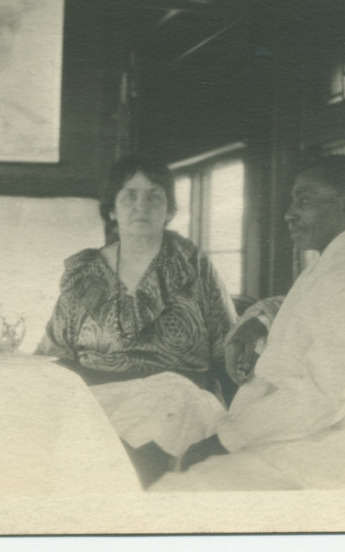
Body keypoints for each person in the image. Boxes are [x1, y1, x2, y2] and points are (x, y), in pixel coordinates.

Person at [150, 154, 345, 491]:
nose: (289, 213)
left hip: (325, 460)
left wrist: (223, 441)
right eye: (293, 199)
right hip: (307, 438)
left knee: (172, 490)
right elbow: (309, 308)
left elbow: (324, 394)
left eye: (305, 200)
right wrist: (259, 319)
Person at [35, 154, 236, 485]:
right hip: (104, 405)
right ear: (112, 209)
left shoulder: (194, 266)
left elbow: (229, 349)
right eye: (129, 195)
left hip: (181, 409)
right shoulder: (85, 273)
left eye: (154, 196)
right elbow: (55, 354)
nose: (141, 206)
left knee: (173, 406)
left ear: (169, 209)